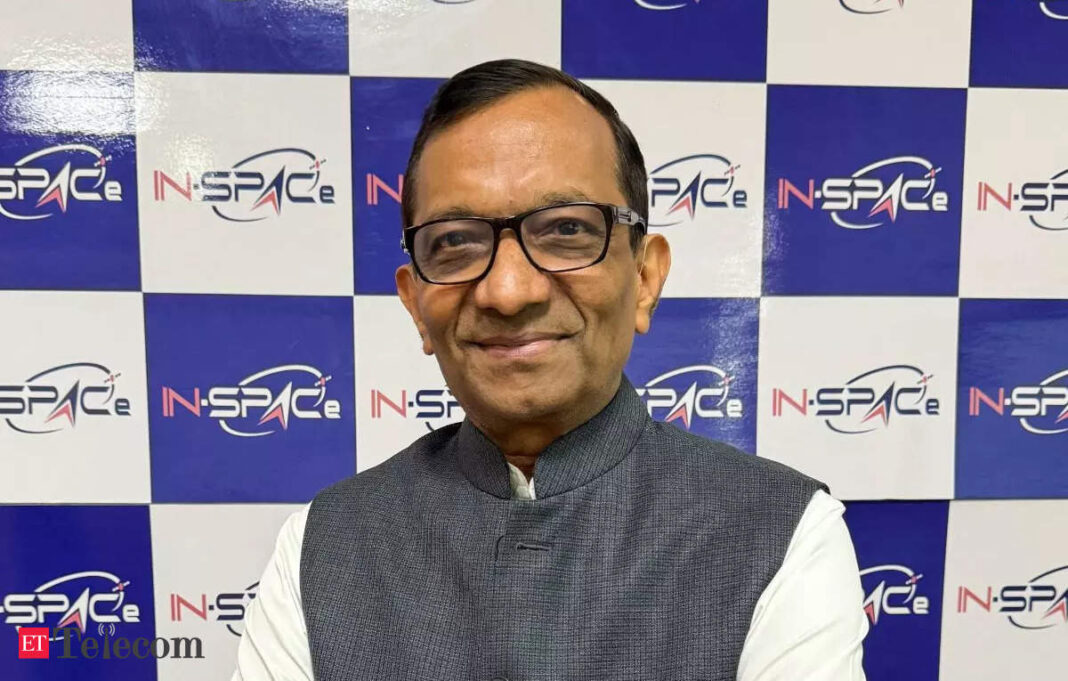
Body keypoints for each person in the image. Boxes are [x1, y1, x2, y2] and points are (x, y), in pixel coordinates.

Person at [232, 59, 868, 681]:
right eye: (455, 241)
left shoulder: (780, 531)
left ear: (645, 277)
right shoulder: (323, 547)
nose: (508, 292)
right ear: (416, 305)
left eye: (566, 229)